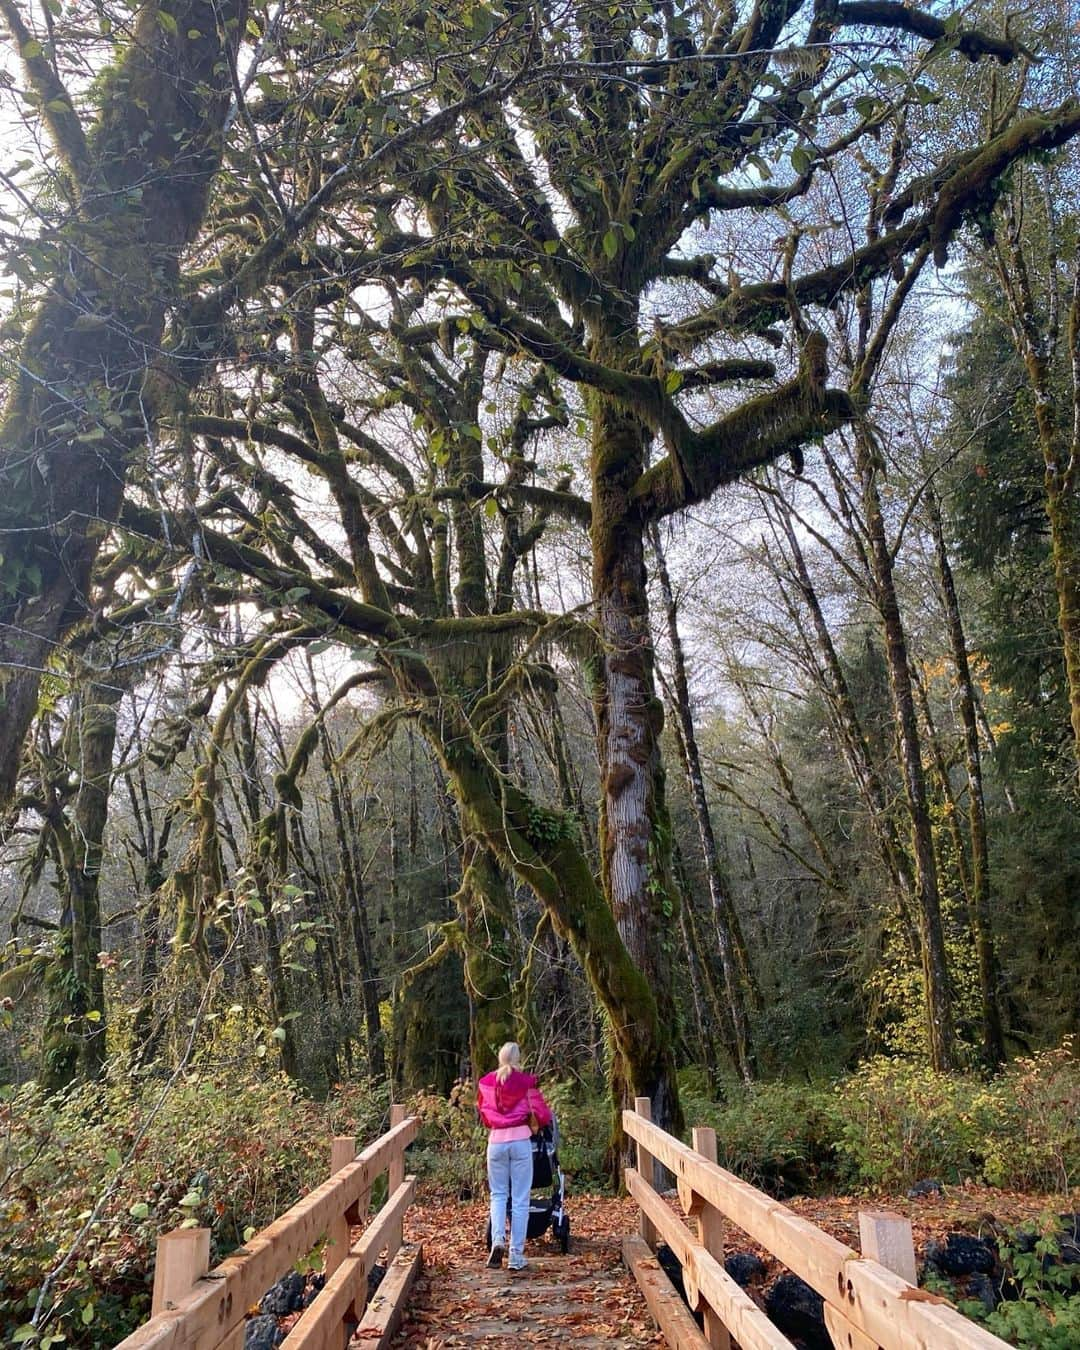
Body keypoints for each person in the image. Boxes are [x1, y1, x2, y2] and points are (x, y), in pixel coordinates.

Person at [476, 1041, 552, 1272]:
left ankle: (498, 1239)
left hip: (496, 1142)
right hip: (520, 1142)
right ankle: (516, 1255)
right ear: (518, 1059)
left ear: (500, 1057)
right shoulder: (526, 1084)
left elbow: (484, 1115)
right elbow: (543, 1115)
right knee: (520, 1200)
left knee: (498, 1195)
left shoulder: (486, 1084)